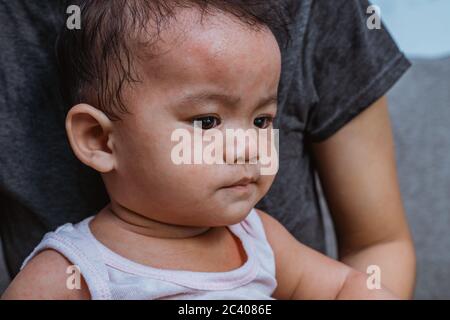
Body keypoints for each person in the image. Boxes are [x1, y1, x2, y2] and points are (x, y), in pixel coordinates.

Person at [0, 0, 415, 298]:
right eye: (207, 122)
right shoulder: (74, 270)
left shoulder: (258, 240)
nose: (247, 147)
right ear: (99, 139)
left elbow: (346, 284)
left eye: (261, 120)